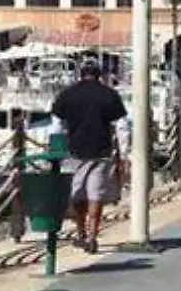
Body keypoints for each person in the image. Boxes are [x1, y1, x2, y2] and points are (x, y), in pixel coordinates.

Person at [50, 60, 128, 254]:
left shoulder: (68, 94)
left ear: (81, 74)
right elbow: (122, 126)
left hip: (74, 151)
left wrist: (54, 148)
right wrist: (124, 153)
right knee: (96, 193)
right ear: (99, 74)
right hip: (101, 151)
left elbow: (57, 124)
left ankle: (81, 233)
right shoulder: (109, 95)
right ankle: (93, 236)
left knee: (77, 193)